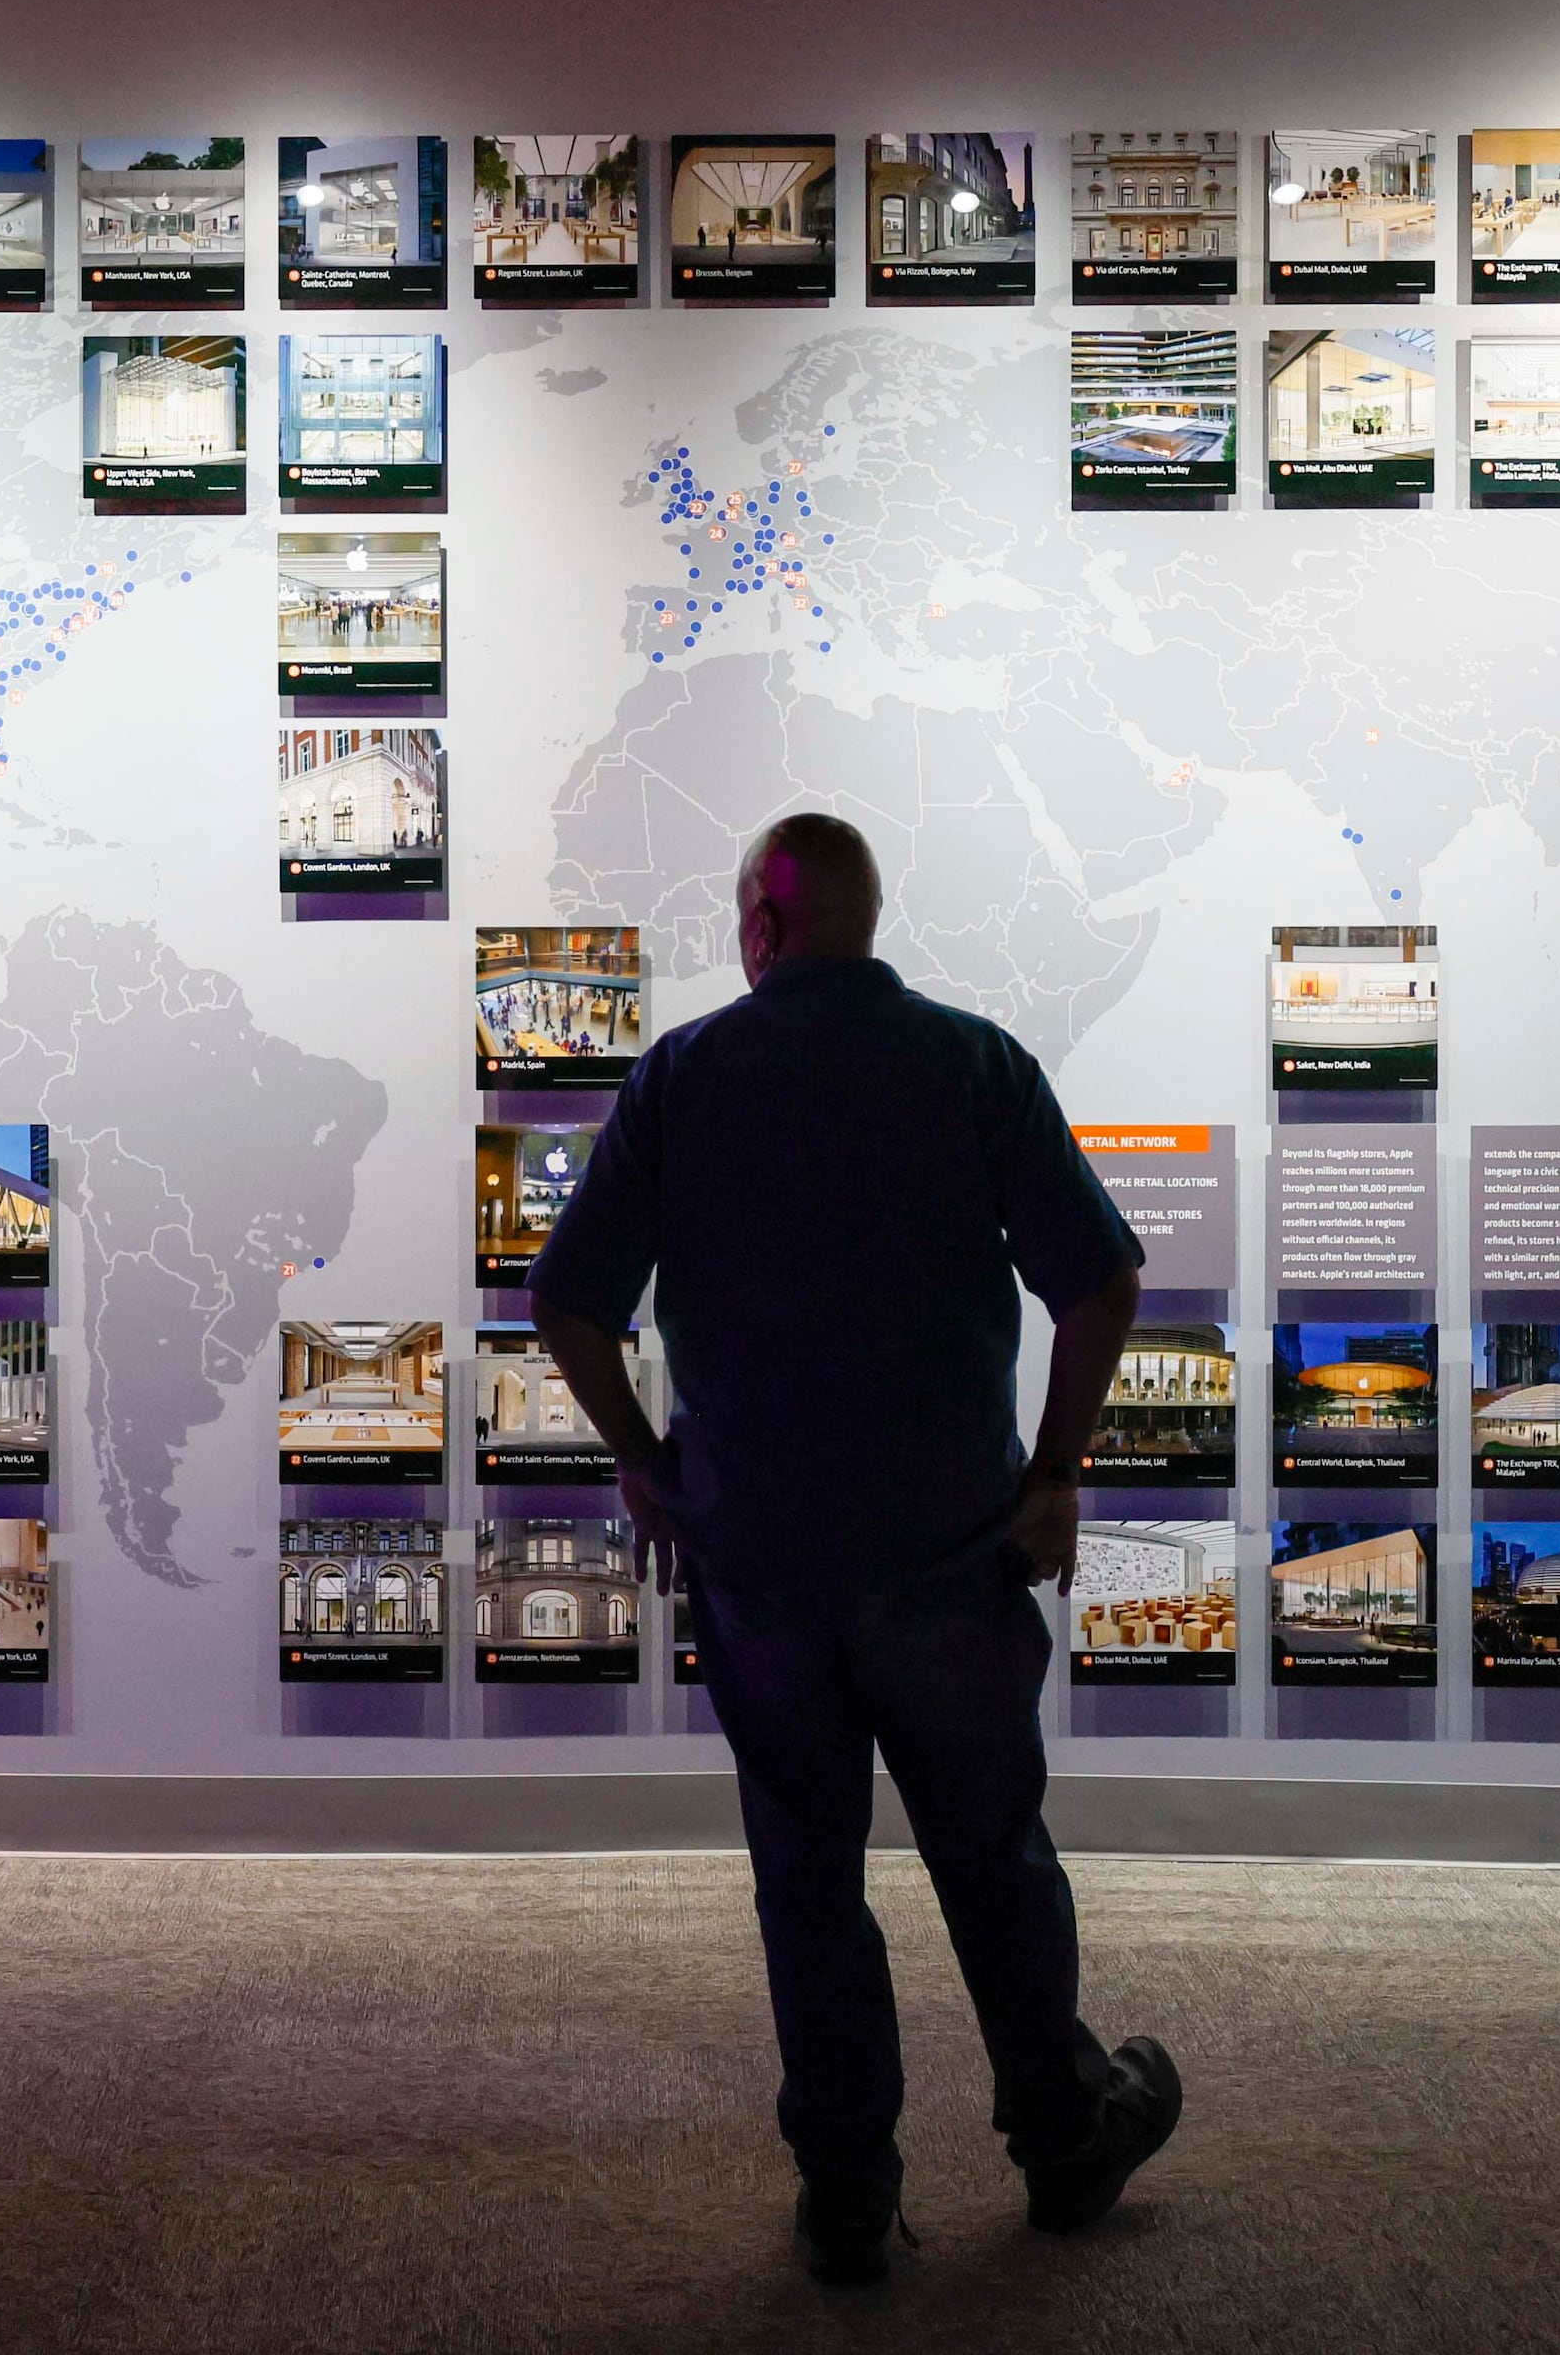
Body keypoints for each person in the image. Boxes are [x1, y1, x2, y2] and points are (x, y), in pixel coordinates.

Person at [527, 811, 1179, 2287]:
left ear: (761, 926)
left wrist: (644, 1460)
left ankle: (844, 2187)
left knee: (805, 1874)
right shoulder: (975, 1063)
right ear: (866, 922)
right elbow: (1103, 1282)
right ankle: (1066, 2138)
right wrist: (1058, 1470)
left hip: (758, 1564)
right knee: (991, 1855)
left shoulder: (684, 1077)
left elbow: (566, 1303)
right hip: (949, 1549)